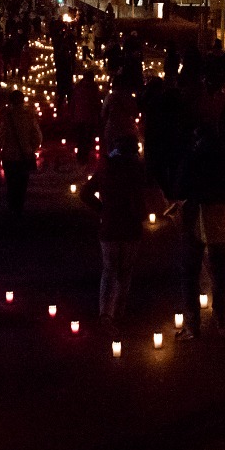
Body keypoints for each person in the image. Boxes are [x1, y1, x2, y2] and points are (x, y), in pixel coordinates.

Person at [174, 126, 225, 338]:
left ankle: (192, 325)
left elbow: (180, 188)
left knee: (189, 272)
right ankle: (221, 320)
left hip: (195, 214)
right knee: (220, 270)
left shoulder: (192, 157)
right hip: (220, 214)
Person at [82, 137, 151, 331]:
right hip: (130, 226)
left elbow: (85, 193)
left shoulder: (106, 169)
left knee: (109, 269)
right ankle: (119, 312)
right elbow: (139, 199)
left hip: (110, 226)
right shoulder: (137, 170)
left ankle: (105, 314)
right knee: (125, 270)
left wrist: (102, 209)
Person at [0, 92, 43, 216]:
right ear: (22, 101)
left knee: (11, 184)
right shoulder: (29, 116)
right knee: (22, 184)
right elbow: (38, 136)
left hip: (9, 156)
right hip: (25, 156)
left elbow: (0, 136)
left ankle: (12, 208)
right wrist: (31, 147)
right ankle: (19, 209)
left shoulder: (6, 117)